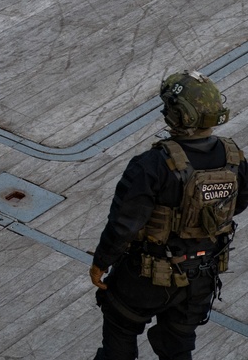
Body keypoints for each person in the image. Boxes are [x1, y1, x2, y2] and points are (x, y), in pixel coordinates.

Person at [90, 70, 248, 360]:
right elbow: (238, 204)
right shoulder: (234, 157)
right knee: (178, 343)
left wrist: (101, 262)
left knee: (120, 329)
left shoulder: (152, 164)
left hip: (147, 277)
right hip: (201, 277)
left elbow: (124, 225)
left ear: (179, 116)